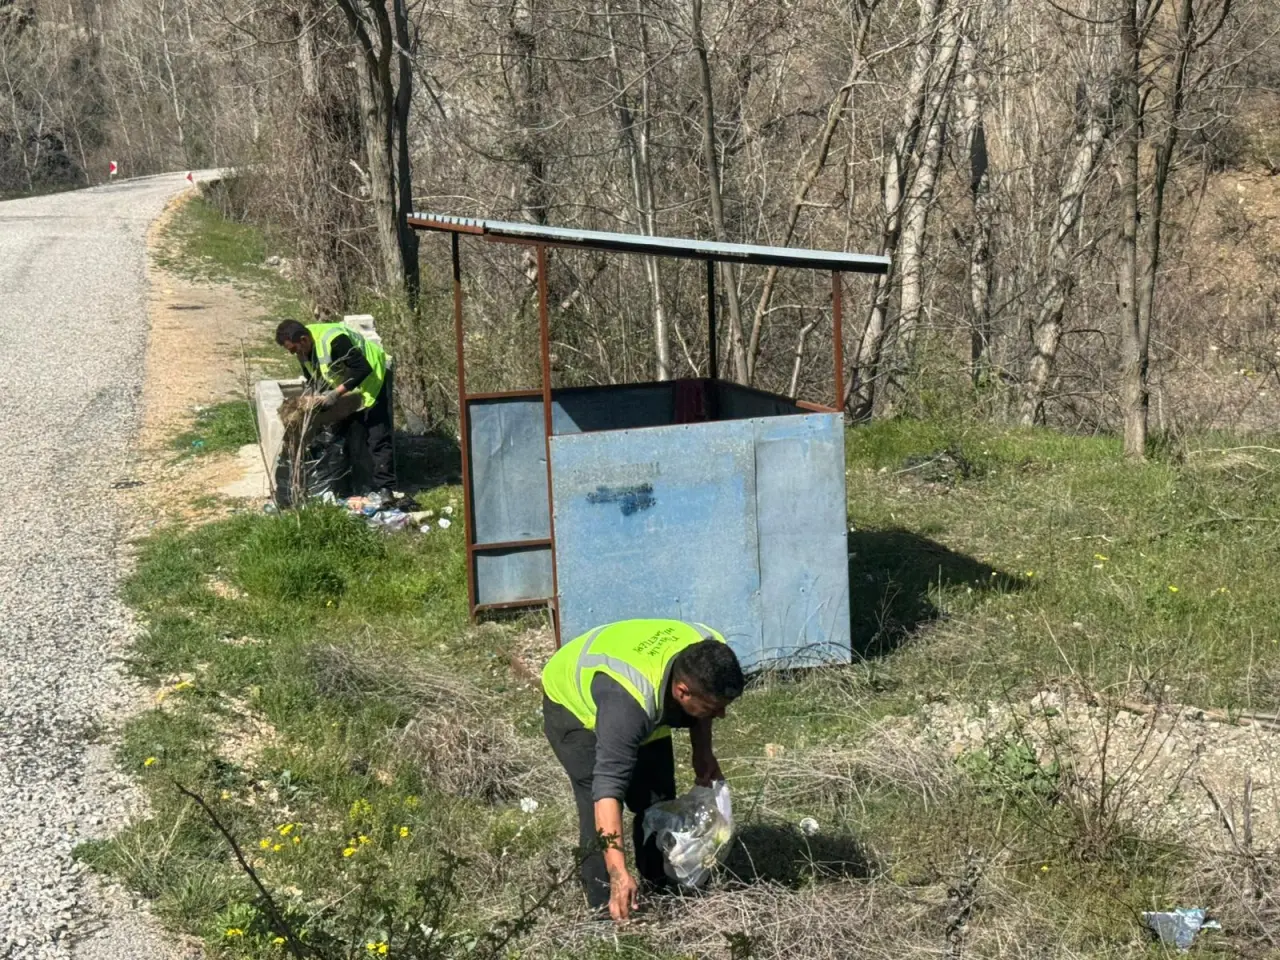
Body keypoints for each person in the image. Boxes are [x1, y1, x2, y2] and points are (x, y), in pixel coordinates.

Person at [540, 619, 745, 923]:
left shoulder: (709, 648)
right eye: (714, 708)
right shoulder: (627, 708)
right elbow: (607, 793)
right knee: (594, 808)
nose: (722, 715)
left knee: (657, 799)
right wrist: (618, 871)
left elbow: (702, 701)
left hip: (641, 691)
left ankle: (658, 884)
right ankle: (605, 908)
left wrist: (703, 752)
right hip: (573, 707)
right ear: (682, 692)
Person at [275, 318, 394, 499]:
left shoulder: (334, 339)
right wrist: (315, 400)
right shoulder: (305, 351)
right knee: (345, 433)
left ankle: (386, 489)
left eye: (293, 349)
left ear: (303, 340)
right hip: (349, 389)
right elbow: (314, 379)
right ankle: (352, 486)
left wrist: (335, 394)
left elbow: (362, 368)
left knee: (377, 436)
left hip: (373, 381)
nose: (293, 353)